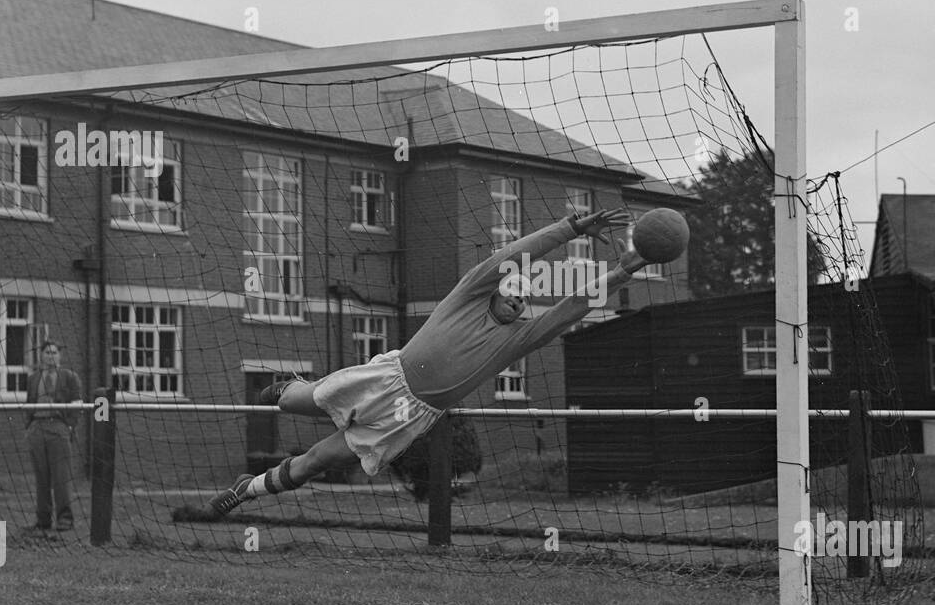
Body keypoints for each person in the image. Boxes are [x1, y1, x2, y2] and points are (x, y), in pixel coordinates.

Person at [209, 208, 646, 513]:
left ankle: (246, 491)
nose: (518, 298)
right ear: (497, 288)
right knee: (291, 403)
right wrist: (570, 228)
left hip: (409, 416)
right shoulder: (469, 295)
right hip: (385, 379)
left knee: (316, 461)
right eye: (512, 289)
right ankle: (287, 386)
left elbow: (571, 306)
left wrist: (622, 272)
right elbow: (511, 256)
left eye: (525, 299)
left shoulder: (516, 340)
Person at [25, 341, 82, 534]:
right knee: (41, 478)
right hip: (37, 428)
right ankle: (43, 519)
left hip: (58, 427)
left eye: (54, 353)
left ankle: (65, 519)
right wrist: (29, 427)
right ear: (41, 356)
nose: (51, 356)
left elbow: (77, 404)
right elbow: (28, 404)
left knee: (61, 477)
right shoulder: (33, 379)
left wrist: (69, 427)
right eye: (47, 353)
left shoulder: (69, 377)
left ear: (60, 356)